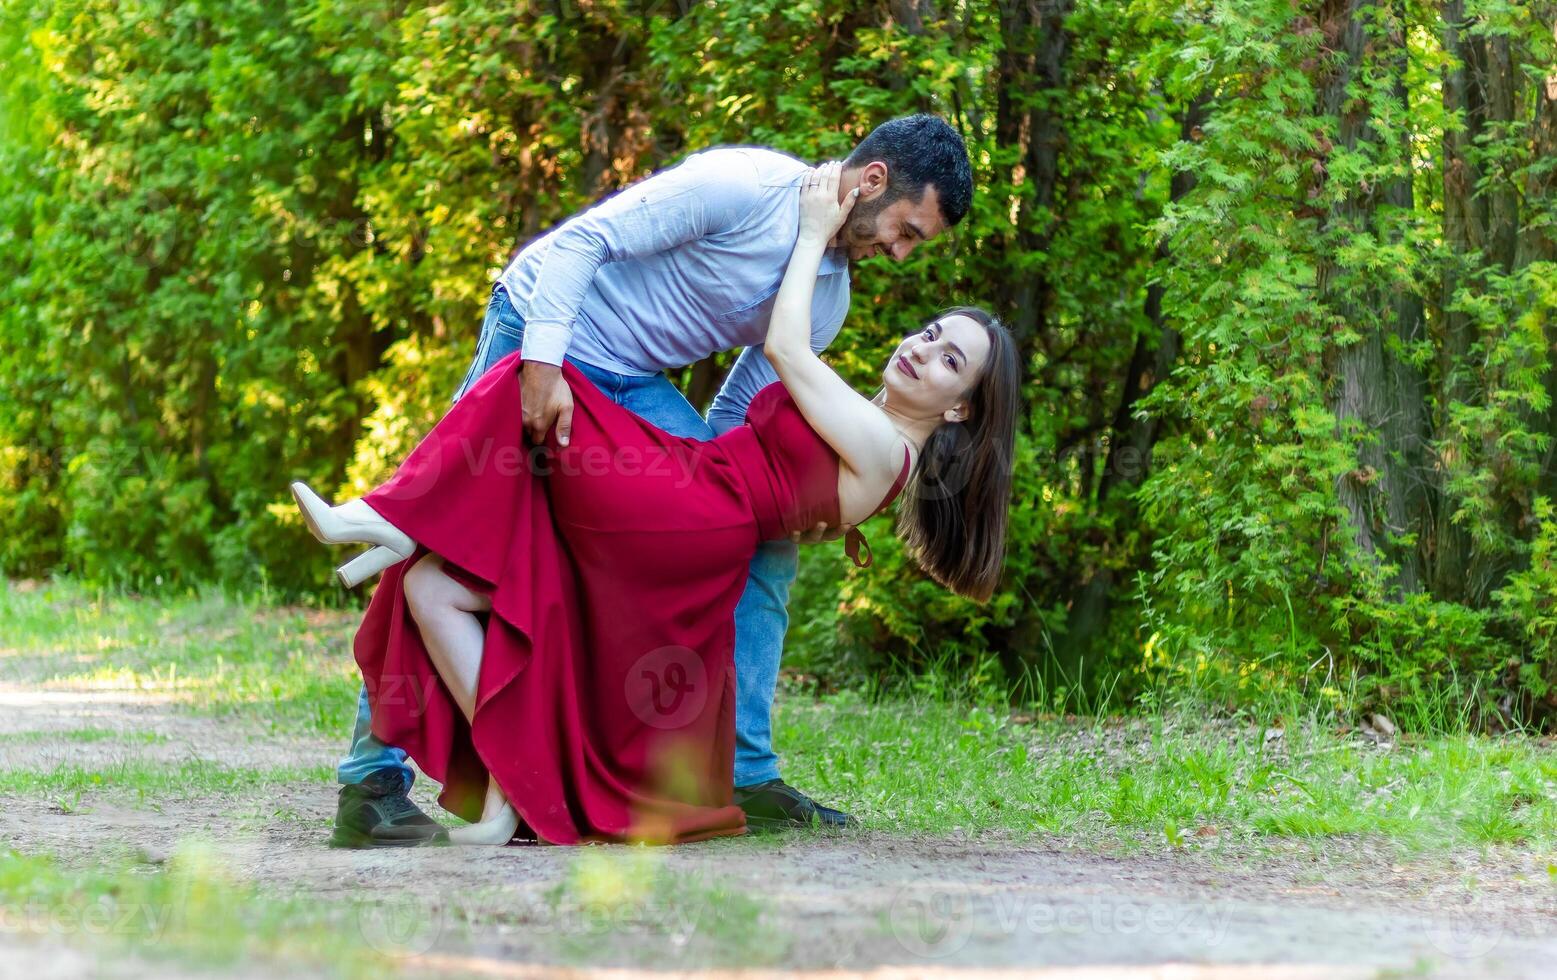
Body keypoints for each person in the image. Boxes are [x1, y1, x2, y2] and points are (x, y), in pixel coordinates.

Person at [291, 161, 1019, 844]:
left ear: (957, 409)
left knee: (753, 557)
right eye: (904, 230)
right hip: (557, 327)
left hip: (676, 450)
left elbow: (767, 381)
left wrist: (710, 507)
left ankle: (740, 770)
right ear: (872, 181)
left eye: (947, 357)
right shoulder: (745, 185)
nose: (898, 252)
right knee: (459, 528)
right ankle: (378, 772)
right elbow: (584, 243)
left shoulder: (828, 303)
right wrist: (713, 494)